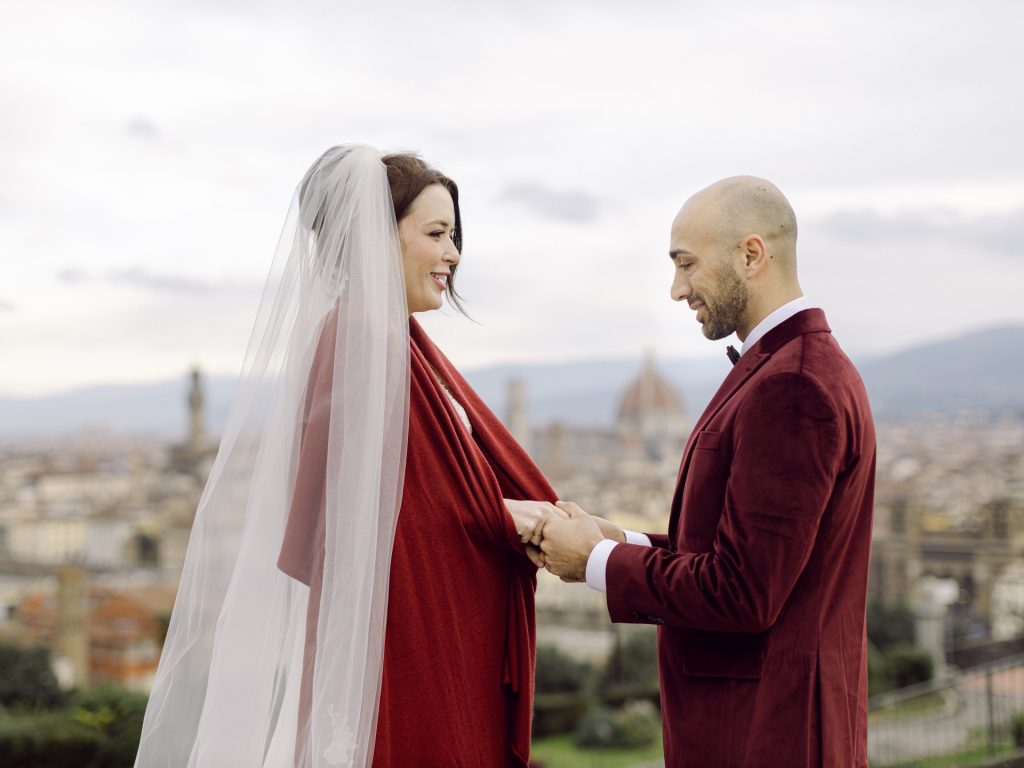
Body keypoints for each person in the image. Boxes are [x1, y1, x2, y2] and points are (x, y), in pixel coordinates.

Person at [135, 146, 561, 768]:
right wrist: (501, 517)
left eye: (454, 236)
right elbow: (357, 522)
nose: (453, 253)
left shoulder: (392, 340)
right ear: (374, 237)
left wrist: (496, 511)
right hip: (400, 646)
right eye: (436, 233)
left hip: (411, 636)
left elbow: (405, 497)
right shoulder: (362, 336)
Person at [538, 176, 876, 767]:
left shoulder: (792, 384)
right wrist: (620, 540)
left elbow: (743, 591)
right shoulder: (794, 366)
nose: (676, 290)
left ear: (752, 255)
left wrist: (594, 562)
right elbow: (746, 551)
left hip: (767, 734)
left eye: (687, 264)